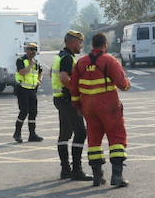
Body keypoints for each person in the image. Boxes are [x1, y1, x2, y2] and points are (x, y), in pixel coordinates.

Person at [69, 32, 132, 187]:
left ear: (92, 45)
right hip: (108, 105)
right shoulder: (110, 60)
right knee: (117, 137)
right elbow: (122, 85)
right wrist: (128, 84)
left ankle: (98, 176)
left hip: (89, 108)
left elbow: (74, 88)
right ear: (105, 45)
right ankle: (117, 176)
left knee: (94, 140)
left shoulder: (81, 63)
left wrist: (78, 107)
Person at [53, 30, 94, 181]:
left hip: (60, 99)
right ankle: (76, 170)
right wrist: (76, 92)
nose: (81, 45)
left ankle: (65, 170)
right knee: (81, 133)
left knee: (65, 135)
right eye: (80, 42)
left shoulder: (61, 56)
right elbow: (64, 78)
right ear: (72, 42)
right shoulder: (68, 58)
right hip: (67, 100)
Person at [13, 41, 44, 142]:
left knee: (33, 112)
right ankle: (17, 133)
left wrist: (39, 79)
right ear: (26, 50)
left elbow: (40, 72)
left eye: (35, 50)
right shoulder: (21, 60)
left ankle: (32, 134)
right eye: (31, 49)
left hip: (32, 90)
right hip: (22, 89)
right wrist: (30, 65)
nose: (33, 52)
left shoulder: (36, 63)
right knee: (24, 111)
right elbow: (22, 72)